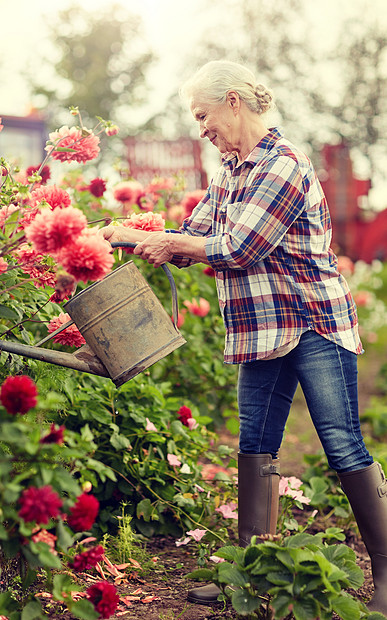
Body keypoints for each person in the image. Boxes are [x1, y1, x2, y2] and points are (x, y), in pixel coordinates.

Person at [101, 60, 387, 613]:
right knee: (255, 445)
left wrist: (154, 237)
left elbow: (236, 247)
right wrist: (144, 241)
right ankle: (252, 574)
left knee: (341, 441)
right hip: (262, 330)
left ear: (233, 101)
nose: (200, 128)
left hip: (311, 323)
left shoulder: (283, 166)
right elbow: (197, 235)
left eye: (203, 115)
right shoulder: (229, 168)